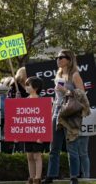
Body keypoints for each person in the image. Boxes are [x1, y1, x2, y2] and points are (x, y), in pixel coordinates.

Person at [43, 50, 90, 184]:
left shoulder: (75, 75)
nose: (58, 59)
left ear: (69, 59)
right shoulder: (58, 74)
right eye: (57, 57)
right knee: (54, 147)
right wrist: (53, 110)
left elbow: (82, 95)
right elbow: (57, 97)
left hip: (69, 114)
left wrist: (67, 91)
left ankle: (74, 177)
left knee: (72, 147)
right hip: (57, 112)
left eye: (61, 57)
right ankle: (51, 176)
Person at [24, 76, 44, 184]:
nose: (26, 87)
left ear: (35, 88)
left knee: (37, 155)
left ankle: (37, 177)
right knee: (29, 156)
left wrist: (41, 136)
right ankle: (31, 177)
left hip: (38, 133)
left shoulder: (41, 101)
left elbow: (44, 119)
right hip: (28, 133)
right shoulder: (25, 100)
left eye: (28, 85)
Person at [7, 67, 29, 153]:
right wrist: (16, 99)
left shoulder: (30, 86)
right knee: (18, 140)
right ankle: (17, 155)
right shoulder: (14, 87)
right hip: (17, 117)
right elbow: (9, 103)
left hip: (28, 115)